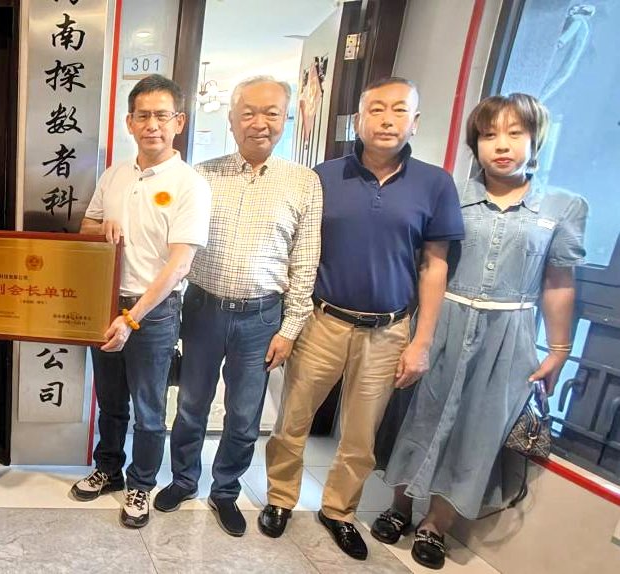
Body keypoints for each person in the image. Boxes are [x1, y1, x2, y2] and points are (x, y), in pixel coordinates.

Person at [374, 93, 586, 570]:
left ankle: (436, 524)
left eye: (515, 133)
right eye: (489, 135)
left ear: (535, 140)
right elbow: (429, 263)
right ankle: (399, 506)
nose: (501, 145)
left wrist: (558, 350)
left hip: (508, 333)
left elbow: (558, 281)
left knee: (478, 430)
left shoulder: (563, 206)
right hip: (444, 320)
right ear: (476, 144)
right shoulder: (450, 193)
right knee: (419, 415)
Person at [261, 77, 464, 560]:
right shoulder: (322, 177)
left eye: (399, 110)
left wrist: (421, 341)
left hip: (389, 329)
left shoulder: (435, 184)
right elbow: (299, 250)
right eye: (376, 109)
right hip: (323, 320)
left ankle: (339, 510)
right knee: (293, 418)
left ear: (415, 121)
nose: (387, 120)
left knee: (360, 433)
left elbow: (435, 266)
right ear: (358, 119)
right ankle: (280, 498)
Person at [155, 75, 322, 537]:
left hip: (262, 317)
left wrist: (290, 328)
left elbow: (306, 260)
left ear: (286, 120)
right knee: (191, 405)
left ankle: (225, 489)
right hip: (203, 309)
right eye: (248, 113)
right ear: (231, 120)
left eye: (271, 113)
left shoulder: (304, 183)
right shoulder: (201, 176)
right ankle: (184, 480)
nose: (259, 123)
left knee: (245, 416)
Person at [70, 74, 211, 529]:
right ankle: (108, 468)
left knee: (149, 411)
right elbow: (86, 229)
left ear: (179, 122)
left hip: (153, 314)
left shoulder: (190, 185)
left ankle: (141, 484)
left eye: (162, 116)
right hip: (105, 305)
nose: (152, 125)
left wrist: (132, 317)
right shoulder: (115, 175)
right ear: (129, 123)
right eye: (143, 116)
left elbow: (179, 264)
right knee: (110, 401)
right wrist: (102, 228)